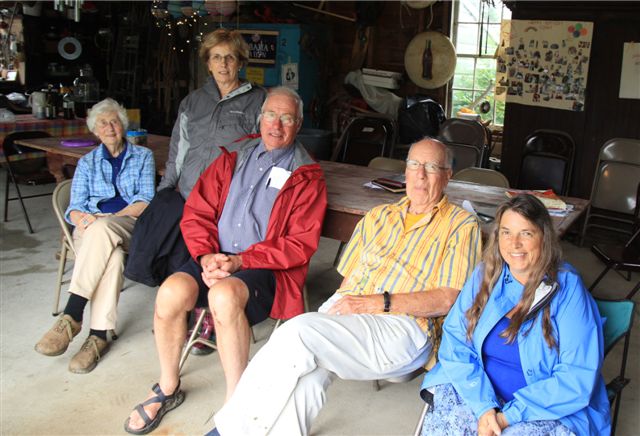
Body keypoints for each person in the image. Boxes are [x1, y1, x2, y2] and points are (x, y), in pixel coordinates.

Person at [209, 138, 483, 436]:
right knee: (307, 372)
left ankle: (227, 431)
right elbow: (350, 281)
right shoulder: (378, 216)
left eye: (431, 167)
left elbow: (448, 299)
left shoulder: (461, 224)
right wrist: (336, 311)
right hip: (353, 311)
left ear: (447, 176)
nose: (420, 174)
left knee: (297, 332)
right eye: (414, 164)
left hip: (405, 328)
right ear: (405, 171)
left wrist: (377, 302)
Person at [124, 87, 327, 435]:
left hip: (264, 269)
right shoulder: (233, 156)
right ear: (260, 118)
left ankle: (237, 406)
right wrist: (206, 255)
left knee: (223, 295)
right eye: (270, 115)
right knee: (170, 292)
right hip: (215, 257)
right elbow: (197, 211)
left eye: (286, 118)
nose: (276, 125)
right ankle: (168, 386)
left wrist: (240, 261)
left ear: (299, 124)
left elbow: (299, 244)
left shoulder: (306, 175)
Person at [419, 194, 610, 436]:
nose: (514, 244)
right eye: (506, 232)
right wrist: (485, 408)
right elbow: (455, 343)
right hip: (479, 393)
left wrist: (507, 417)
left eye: (526, 233)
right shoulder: (484, 276)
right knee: (449, 422)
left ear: (544, 237)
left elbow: (576, 377)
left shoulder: (568, 289)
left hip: (542, 409)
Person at [124, 28, 267, 288]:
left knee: (200, 253)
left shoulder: (258, 100)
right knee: (167, 240)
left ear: (240, 62)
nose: (223, 64)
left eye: (230, 57)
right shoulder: (193, 101)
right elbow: (179, 150)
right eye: (216, 57)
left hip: (225, 196)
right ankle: (175, 295)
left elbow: (263, 153)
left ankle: (196, 298)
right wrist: (166, 188)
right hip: (188, 190)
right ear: (208, 64)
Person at [34, 98, 155, 374]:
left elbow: (146, 200)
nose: (110, 127)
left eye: (114, 121)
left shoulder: (143, 156)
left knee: (104, 230)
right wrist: (85, 219)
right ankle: (98, 336)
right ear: (95, 130)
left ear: (123, 125)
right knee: (113, 257)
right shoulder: (87, 162)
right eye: (103, 123)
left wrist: (110, 218)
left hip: (127, 224)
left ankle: (72, 314)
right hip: (90, 230)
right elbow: (75, 207)